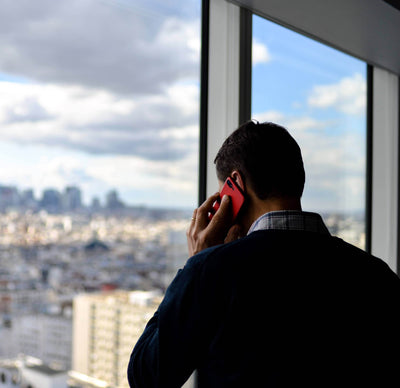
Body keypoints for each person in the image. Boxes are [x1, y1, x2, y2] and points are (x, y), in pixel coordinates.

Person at [127, 121, 400, 387]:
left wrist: (195, 264)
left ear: (234, 184)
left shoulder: (214, 271)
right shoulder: (376, 273)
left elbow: (145, 376)